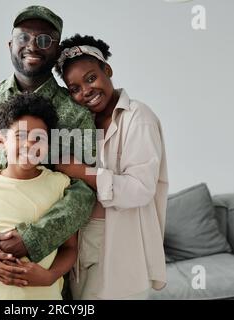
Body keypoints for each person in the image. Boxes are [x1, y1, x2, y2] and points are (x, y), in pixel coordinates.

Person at [0, 6, 96, 299]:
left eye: (44, 39)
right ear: (10, 44)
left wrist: (33, 238)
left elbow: (85, 188)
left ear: (56, 50)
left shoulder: (76, 114)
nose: (31, 45)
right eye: (23, 36)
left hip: (46, 280)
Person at [53, 34, 169, 299]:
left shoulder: (138, 117)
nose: (86, 92)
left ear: (107, 70)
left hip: (121, 241)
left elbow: (140, 189)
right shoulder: (81, 122)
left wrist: (81, 171)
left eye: (91, 78)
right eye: (75, 88)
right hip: (83, 240)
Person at [0, 93, 77, 300]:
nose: (29, 144)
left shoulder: (60, 184)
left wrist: (49, 276)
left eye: (39, 138)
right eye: (20, 136)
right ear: (1, 141)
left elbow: (70, 248)